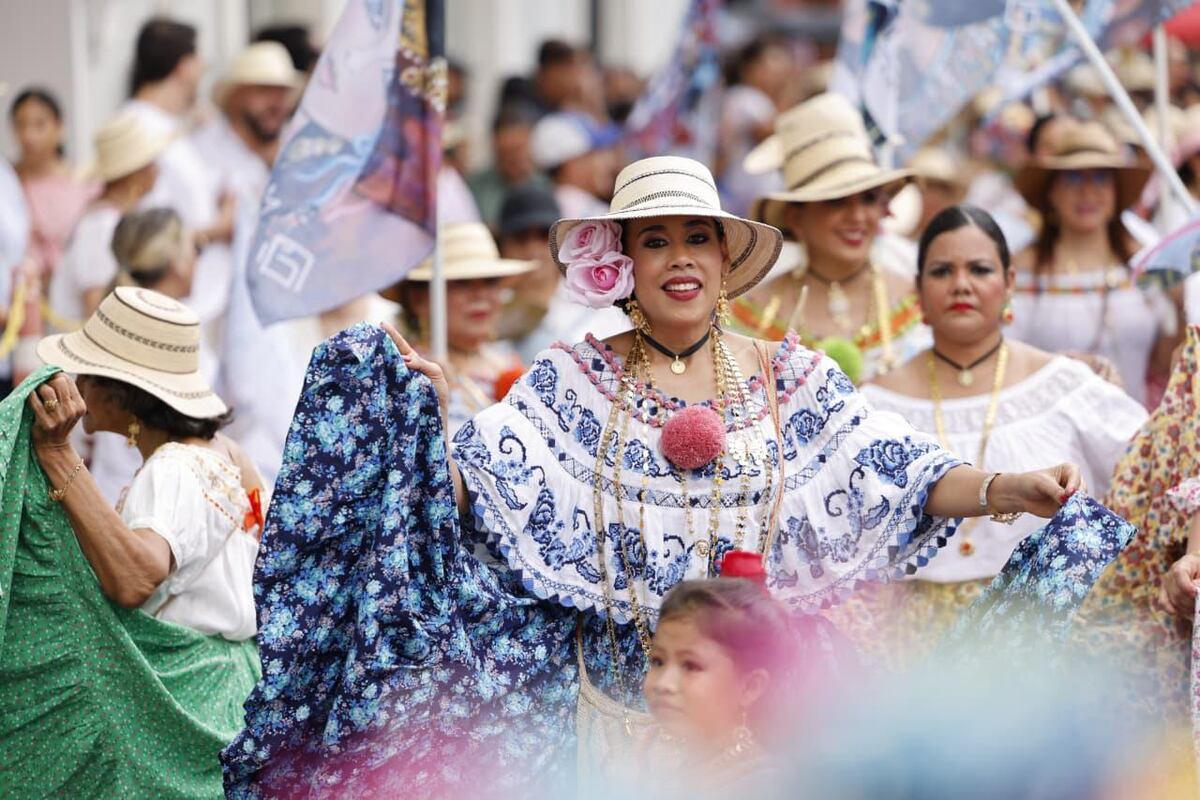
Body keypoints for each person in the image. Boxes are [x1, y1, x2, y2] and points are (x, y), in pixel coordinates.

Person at [227, 156, 1087, 798]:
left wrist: (1010, 488)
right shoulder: (569, 380)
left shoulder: (788, 377)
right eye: (657, 240)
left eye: (697, 237)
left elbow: (896, 470)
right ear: (625, 263)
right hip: (609, 724)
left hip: (761, 732)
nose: (680, 257)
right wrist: (421, 421)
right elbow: (473, 489)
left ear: (723, 258)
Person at [855, 205, 1147, 662]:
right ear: (917, 292)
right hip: (910, 649)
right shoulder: (873, 406)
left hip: (1046, 642)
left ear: (1009, 283)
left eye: (980, 269)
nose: (961, 284)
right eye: (942, 271)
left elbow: (1164, 468)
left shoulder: (1065, 385)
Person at [31, 287, 263, 638]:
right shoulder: (224, 451)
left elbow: (135, 579)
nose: (78, 387)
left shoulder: (171, 468)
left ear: (121, 394)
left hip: (186, 687)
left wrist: (58, 455)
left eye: (87, 375)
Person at [731, 93, 927, 383]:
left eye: (869, 199)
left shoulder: (919, 300)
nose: (858, 216)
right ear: (795, 218)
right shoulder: (751, 312)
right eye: (836, 201)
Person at [1010, 121, 1179, 406]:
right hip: (1053, 439)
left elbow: (1164, 366)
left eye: (1101, 178)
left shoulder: (1147, 263)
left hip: (1135, 434)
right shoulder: (1021, 272)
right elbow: (1007, 363)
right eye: (1074, 178)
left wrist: (1180, 303)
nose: (1088, 192)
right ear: (1052, 191)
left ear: (1116, 192)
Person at [124, 17, 235, 326]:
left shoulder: (168, 126)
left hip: (198, 307)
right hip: (171, 313)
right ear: (184, 66)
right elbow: (145, 231)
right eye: (199, 62)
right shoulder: (139, 130)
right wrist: (219, 227)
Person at [643, 576, 793, 790]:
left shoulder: (762, 787)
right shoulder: (657, 762)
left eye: (690, 666)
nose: (663, 684)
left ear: (749, 687)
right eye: (658, 661)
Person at [392, 222, 533, 437]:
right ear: (419, 299)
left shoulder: (512, 364)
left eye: (490, 282)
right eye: (462, 283)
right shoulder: (406, 372)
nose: (480, 295)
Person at [47, 112, 166, 326]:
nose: (158, 169)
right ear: (136, 173)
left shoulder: (107, 220)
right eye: (151, 162)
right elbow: (95, 309)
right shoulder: (102, 228)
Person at [493, 182, 625, 361]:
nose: (533, 249)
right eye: (521, 238)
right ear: (503, 245)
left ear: (561, 242)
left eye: (542, 236)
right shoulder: (488, 307)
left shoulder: (593, 301)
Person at [716, 34, 793, 216]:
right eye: (771, 64)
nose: (778, 73)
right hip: (743, 197)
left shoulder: (765, 102)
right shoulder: (744, 97)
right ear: (749, 69)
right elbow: (767, 134)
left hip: (758, 195)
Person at [530, 110, 620, 220]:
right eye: (594, 153)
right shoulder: (596, 216)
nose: (607, 162)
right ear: (570, 165)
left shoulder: (542, 209)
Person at [466, 110, 548, 226]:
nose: (513, 159)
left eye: (518, 150)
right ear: (494, 147)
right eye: (505, 153)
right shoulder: (475, 186)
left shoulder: (545, 187)